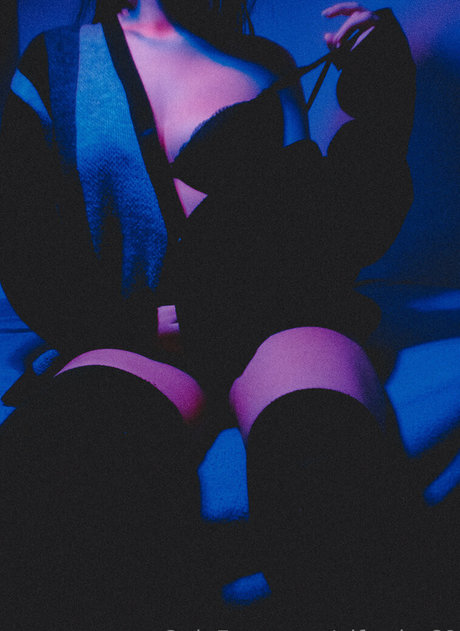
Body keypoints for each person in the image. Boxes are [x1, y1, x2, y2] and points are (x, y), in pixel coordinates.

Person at [0, 0, 418, 627]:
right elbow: (24, 243)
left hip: (278, 322)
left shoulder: (267, 62)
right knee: (63, 470)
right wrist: (124, 326)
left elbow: (327, 235)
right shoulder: (55, 63)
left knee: (324, 462)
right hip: (136, 339)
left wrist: (382, 97)